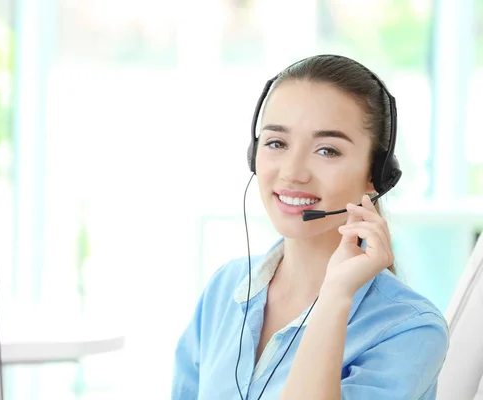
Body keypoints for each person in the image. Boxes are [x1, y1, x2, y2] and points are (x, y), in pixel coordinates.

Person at [170, 54, 449, 400]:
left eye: (327, 150)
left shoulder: (409, 329)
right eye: (277, 143)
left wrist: (334, 298)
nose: (292, 172)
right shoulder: (226, 287)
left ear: (376, 175)